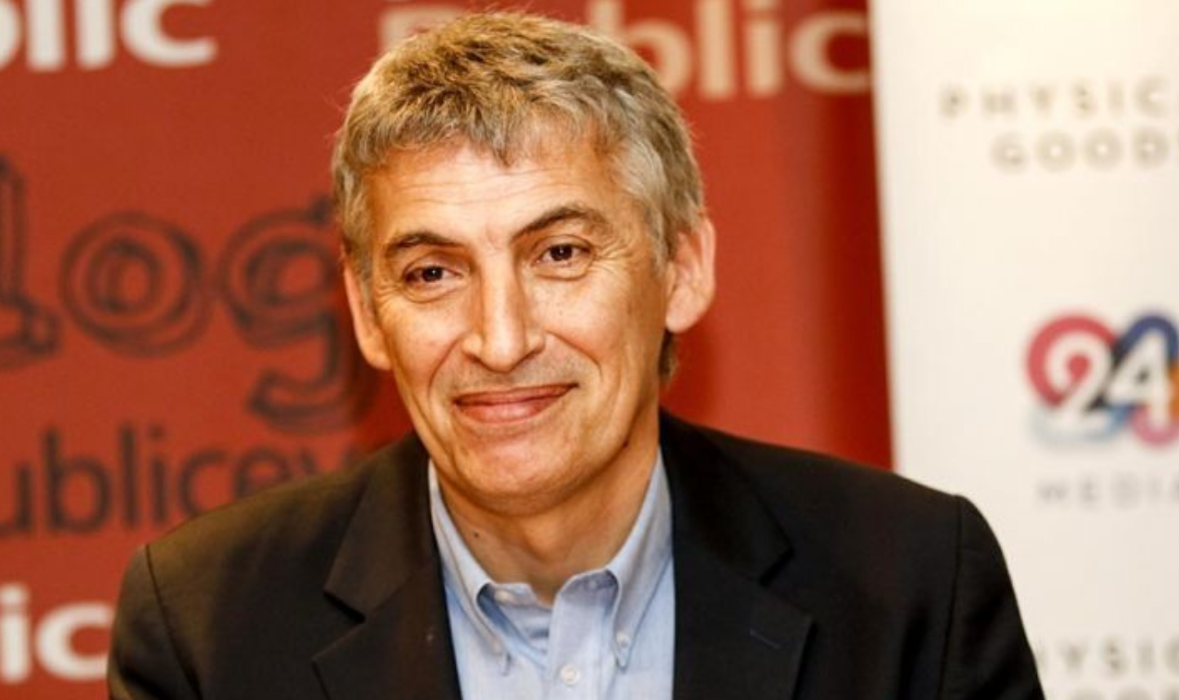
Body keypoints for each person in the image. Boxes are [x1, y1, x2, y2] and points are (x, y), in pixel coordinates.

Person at [108, 11, 1044, 700]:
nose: (500, 339)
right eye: (432, 272)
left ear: (682, 269)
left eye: (559, 254)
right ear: (366, 312)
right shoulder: (207, 629)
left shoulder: (909, 584)